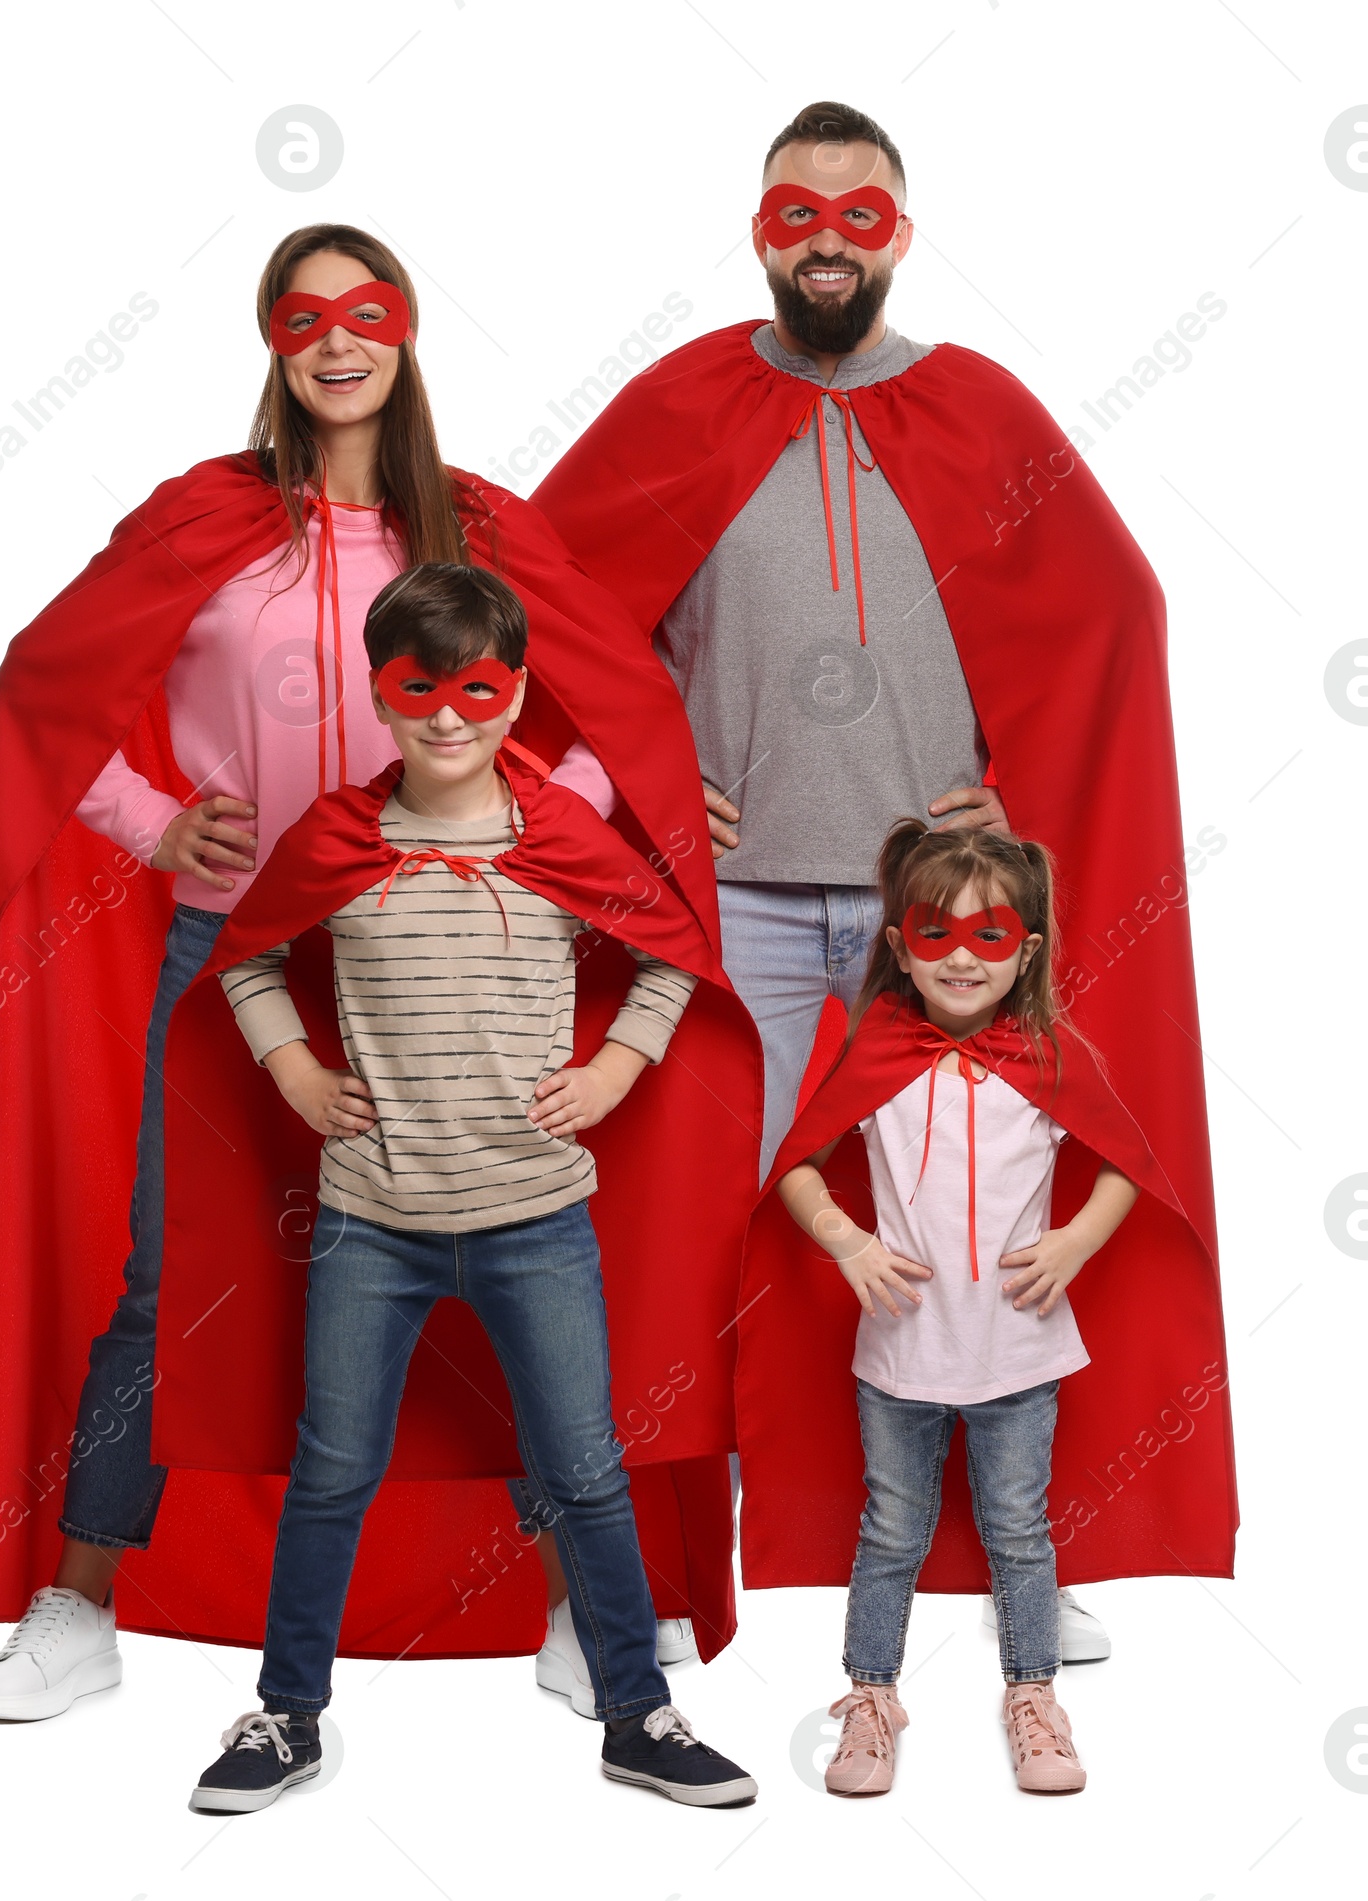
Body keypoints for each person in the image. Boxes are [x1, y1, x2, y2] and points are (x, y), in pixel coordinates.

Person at [0, 224, 754, 1721]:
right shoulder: (202, 520)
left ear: (408, 334)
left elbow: (627, 711)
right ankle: (80, 1599)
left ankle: (574, 1610)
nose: (338, 341)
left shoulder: (477, 528)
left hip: (458, 950)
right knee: (170, 1273)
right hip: (238, 947)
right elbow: (42, 690)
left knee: (505, 1269)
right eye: (307, 317)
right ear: (276, 342)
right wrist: (159, 823)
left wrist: (562, 833)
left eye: (368, 314)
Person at [532, 99, 1236, 1652]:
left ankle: (1004, 1565)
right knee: (684, 1230)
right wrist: (637, 785)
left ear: (900, 238)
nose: (830, 239)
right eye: (799, 212)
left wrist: (1019, 790)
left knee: (969, 1227)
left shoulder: (979, 410)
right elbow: (536, 612)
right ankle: (624, 1590)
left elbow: (1110, 613)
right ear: (761, 229)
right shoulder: (682, 405)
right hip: (740, 921)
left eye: (863, 214)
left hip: (938, 933)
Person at [185, 564, 756, 1810]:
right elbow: (246, 956)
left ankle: (636, 1715)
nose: (449, 717)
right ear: (381, 697)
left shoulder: (559, 836)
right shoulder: (339, 834)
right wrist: (292, 1067)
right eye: (419, 690)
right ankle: (286, 1716)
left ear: (518, 694)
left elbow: (672, 951)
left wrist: (616, 1066)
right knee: (333, 1466)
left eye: (479, 688)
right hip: (368, 1222)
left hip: (537, 1218)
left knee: (585, 1468)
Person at [776, 821, 1145, 1793]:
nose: (962, 959)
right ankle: (868, 1697)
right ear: (899, 944)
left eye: (990, 936)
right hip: (899, 1352)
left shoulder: (1049, 1056)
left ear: (1025, 948)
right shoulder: (876, 1055)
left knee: (1018, 1531)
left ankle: (1031, 1693)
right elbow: (796, 1168)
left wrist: (1073, 1240)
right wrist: (847, 1239)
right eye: (935, 933)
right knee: (890, 1528)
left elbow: (1126, 1168)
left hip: (1019, 1352)